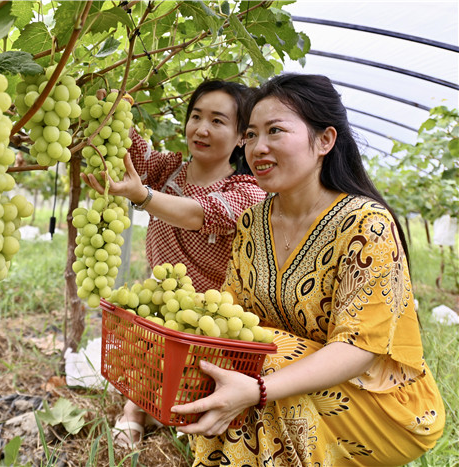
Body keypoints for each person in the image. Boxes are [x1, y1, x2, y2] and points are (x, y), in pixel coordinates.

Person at [171, 73, 445, 466]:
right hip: (286, 378)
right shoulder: (252, 222)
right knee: (234, 355)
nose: (257, 147)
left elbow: (359, 349)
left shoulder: (365, 224)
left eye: (275, 131)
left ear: (324, 141)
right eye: (250, 134)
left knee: (264, 362)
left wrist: (258, 390)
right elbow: (232, 317)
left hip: (384, 405)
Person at [81, 80, 268, 448]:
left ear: (241, 138)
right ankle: (134, 410)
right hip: (163, 291)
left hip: (212, 309)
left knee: (194, 372)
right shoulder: (169, 169)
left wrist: (145, 197)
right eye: (196, 116)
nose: (201, 129)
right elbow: (134, 158)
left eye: (218, 121)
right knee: (145, 346)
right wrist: (114, 115)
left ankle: (184, 414)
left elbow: (199, 214)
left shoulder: (247, 190)